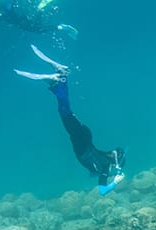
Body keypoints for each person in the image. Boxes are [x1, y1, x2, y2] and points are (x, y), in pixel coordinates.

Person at [16, 45, 125, 195]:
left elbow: (99, 178)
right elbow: (102, 190)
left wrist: (114, 176)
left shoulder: (105, 165)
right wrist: (115, 182)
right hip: (81, 139)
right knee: (65, 112)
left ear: (115, 160)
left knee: (65, 111)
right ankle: (60, 78)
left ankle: (58, 81)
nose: (113, 152)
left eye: (115, 154)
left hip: (82, 139)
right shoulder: (105, 166)